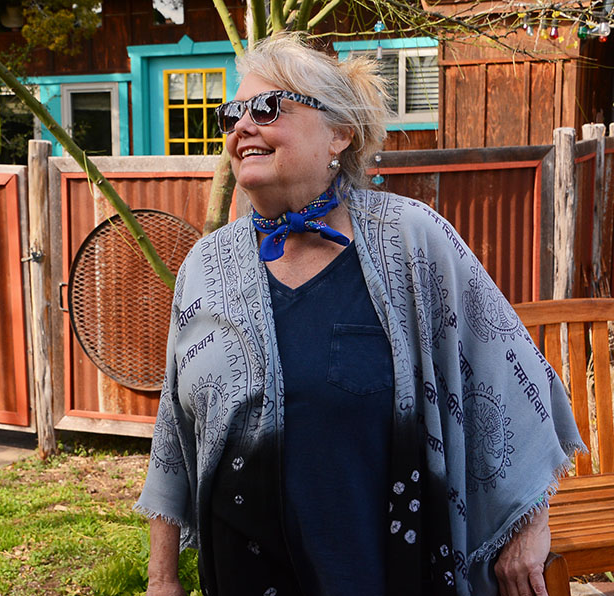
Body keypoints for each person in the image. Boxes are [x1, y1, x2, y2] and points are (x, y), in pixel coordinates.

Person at [136, 33, 584, 596]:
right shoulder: (207, 265)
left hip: (379, 570)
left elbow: (510, 375)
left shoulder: (412, 239)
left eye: (268, 107)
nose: (242, 126)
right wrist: (161, 578)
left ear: (339, 135)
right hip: (242, 576)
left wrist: (529, 524)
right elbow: (176, 431)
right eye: (232, 114)